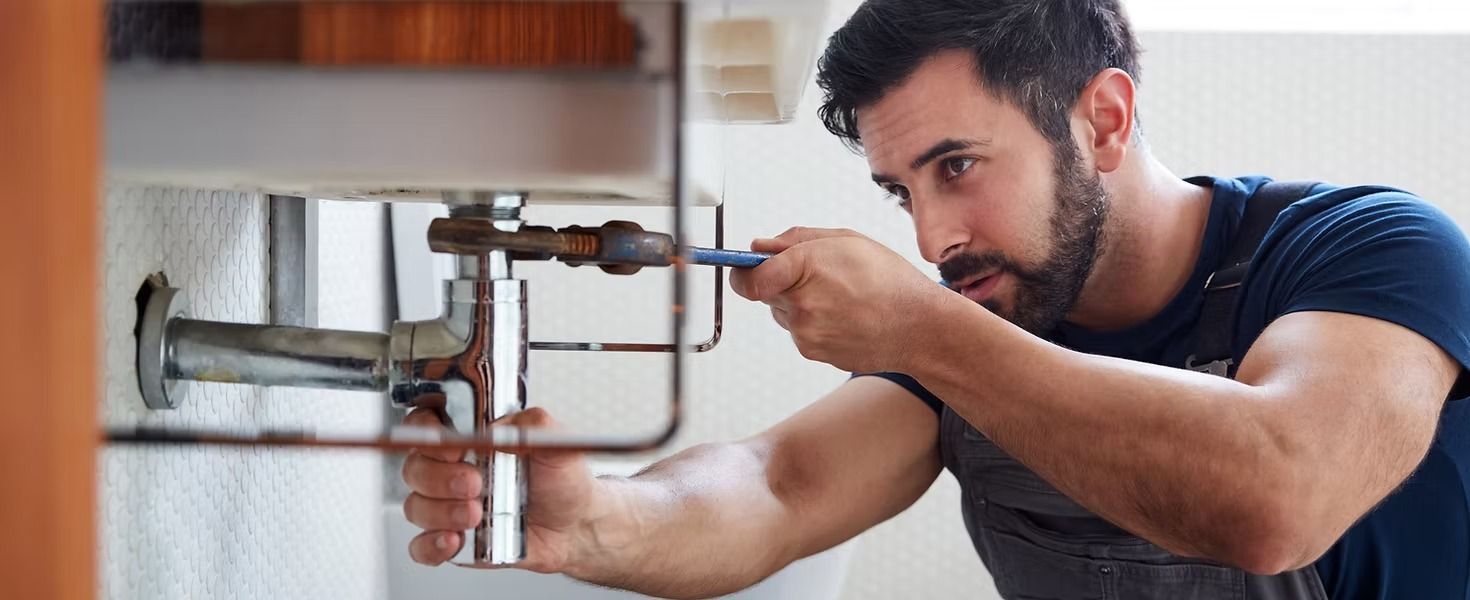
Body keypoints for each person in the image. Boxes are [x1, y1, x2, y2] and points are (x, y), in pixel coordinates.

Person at [399, 1, 1470, 598]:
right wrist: (600, 520)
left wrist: (924, 325)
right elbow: (775, 486)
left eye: (957, 166)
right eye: (898, 190)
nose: (929, 238)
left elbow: (1280, 501)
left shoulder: (1369, 250)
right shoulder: (984, 324)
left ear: (1101, 120)